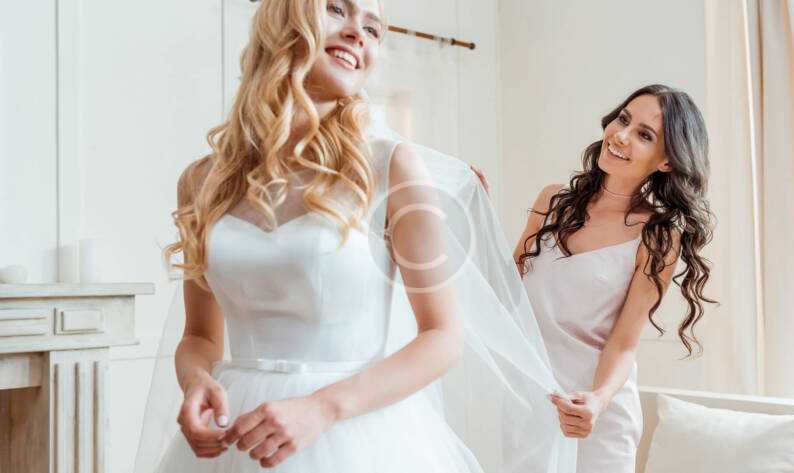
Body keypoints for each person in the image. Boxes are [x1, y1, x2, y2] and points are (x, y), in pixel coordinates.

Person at [135, 1, 577, 472]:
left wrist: (322, 408)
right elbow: (199, 335)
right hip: (237, 433)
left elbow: (444, 336)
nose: (357, 34)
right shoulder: (203, 181)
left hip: (354, 431)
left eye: (373, 28)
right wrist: (196, 380)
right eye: (336, 9)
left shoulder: (392, 167)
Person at [473, 84, 715, 472]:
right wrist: (478, 214)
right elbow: (505, 291)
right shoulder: (552, 202)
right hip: (530, 400)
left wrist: (598, 401)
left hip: (596, 417)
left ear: (667, 161)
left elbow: (623, 341)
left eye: (644, 135)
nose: (621, 136)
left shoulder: (657, 236)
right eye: (623, 120)